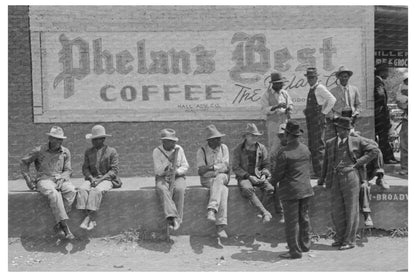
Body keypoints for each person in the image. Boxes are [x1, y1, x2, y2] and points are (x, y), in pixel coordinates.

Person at [319, 117, 378, 250]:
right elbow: (326, 163)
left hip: (351, 176)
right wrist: (322, 179)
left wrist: (358, 163)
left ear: (348, 130)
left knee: (351, 209)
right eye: (338, 128)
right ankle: (340, 238)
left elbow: (374, 150)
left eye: (343, 129)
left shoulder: (357, 141)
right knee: (337, 209)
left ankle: (349, 240)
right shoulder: (330, 142)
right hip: (335, 178)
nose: (340, 131)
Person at [20, 126, 76, 239]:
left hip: (60, 179)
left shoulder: (65, 152)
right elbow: (24, 162)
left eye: (61, 139)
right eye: (56, 138)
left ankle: (58, 223)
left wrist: (62, 179)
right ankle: (65, 227)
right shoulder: (39, 150)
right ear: (50, 138)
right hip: (44, 180)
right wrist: (28, 180)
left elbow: (68, 170)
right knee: (54, 194)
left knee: (71, 191)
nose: (59, 142)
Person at [271, 120, 314, 259]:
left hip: (290, 191)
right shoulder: (305, 149)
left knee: (291, 222)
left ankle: (294, 251)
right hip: (306, 189)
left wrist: (270, 183)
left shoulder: (283, 152)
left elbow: (278, 174)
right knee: (304, 218)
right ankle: (305, 245)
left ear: (287, 134)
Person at [76, 125, 122, 231]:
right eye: (93, 139)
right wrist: (91, 178)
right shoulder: (88, 152)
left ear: (103, 139)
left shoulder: (112, 151)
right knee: (82, 190)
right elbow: (85, 168)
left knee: (96, 191)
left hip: (106, 179)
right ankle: (90, 219)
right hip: (92, 178)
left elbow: (113, 171)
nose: (95, 141)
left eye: (98, 139)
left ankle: (88, 218)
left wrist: (100, 180)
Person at [232, 123, 276, 223]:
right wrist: (248, 176)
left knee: (270, 189)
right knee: (247, 189)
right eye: (252, 135)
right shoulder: (238, 149)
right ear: (246, 136)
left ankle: (261, 212)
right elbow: (235, 167)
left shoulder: (261, 148)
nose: (254, 137)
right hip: (244, 177)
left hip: (258, 176)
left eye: (256, 135)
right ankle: (265, 212)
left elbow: (266, 164)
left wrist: (264, 175)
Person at [196, 125, 230, 238]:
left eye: (219, 138)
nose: (219, 140)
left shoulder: (224, 148)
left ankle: (211, 209)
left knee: (220, 178)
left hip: (222, 177)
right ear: (210, 141)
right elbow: (201, 171)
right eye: (216, 139)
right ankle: (220, 226)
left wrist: (210, 168)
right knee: (223, 190)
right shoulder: (201, 151)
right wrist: (216, 167)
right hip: (207, 179)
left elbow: (226, 168)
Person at [152, 128, 189, 231]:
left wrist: (176, 172)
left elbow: (185, 166)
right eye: (171, 142)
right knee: (163, 189)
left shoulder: (179, 149)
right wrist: (168, 163)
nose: (173, 144)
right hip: (162, 176)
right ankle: (172, 217)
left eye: (174, 141)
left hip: (177, 175)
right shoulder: (157, 151)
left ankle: (178, 219)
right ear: (164, 141)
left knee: (180, 189)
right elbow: (158, 171)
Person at [303, 67, 336, 178]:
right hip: (311, 120)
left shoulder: (320, 88)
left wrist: (324, 112)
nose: (310, 79)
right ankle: (317, 171)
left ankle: (322, 172)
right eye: (309, 77)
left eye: (312, 77)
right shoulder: (312, 88)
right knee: (313, 146)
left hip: (317, 121)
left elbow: (332, 99)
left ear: (316, 77)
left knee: (319, 146)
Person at [260, 72, 293, 153]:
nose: (282, 85)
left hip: (284, 122)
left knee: (285, 143)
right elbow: (264, 110)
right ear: (274, 84)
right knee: (273, 145)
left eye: (282, 83)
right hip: (273, 124)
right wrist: (276, 107)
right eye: (280, 84)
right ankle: (272, 163)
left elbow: (291, 104)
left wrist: (289, 109)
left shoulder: (284, 93)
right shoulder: (266, 94)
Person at [328, 66, 362, 139]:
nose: (344, 78)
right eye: (341, 77)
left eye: (345, 76)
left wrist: (355, 113)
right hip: (339, 118)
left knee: (352, 137)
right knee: (340, 138)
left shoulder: (354, 89)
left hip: (351, 118)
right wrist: (334, 117)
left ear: (348, 77)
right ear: (338, 78)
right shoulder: (333, 91)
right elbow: (329, 107)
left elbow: (358, 104)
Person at [374, 63, 397, 164]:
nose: (387, 73)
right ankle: (387, 158)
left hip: (380, 114)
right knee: (383, 137)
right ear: (381, 72)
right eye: (386, 71)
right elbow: (380, 95)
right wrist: (384, 106)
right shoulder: (378, 81)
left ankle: (388, 157)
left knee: (384, 137)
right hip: (380, 114)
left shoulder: (378, 81)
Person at [396, 72, 408, 175]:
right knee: (405, 145)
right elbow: (400, 102)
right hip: (407, 120)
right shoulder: (402, 88)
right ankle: (405, 167)